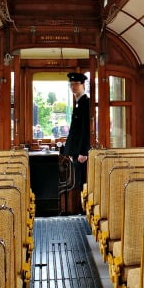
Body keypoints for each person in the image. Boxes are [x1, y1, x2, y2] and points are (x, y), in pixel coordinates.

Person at [60, 72, 90, 214]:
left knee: (83, 181)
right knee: (78, 181)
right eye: (71, 84)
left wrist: (83, 152)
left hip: (81, 153)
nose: (73, 87)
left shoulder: (85, 103)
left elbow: (86, 129)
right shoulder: (79, 103)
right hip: (76, 151)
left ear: (83, 85)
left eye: (76, 84)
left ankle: (85, 212)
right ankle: (82, 211)